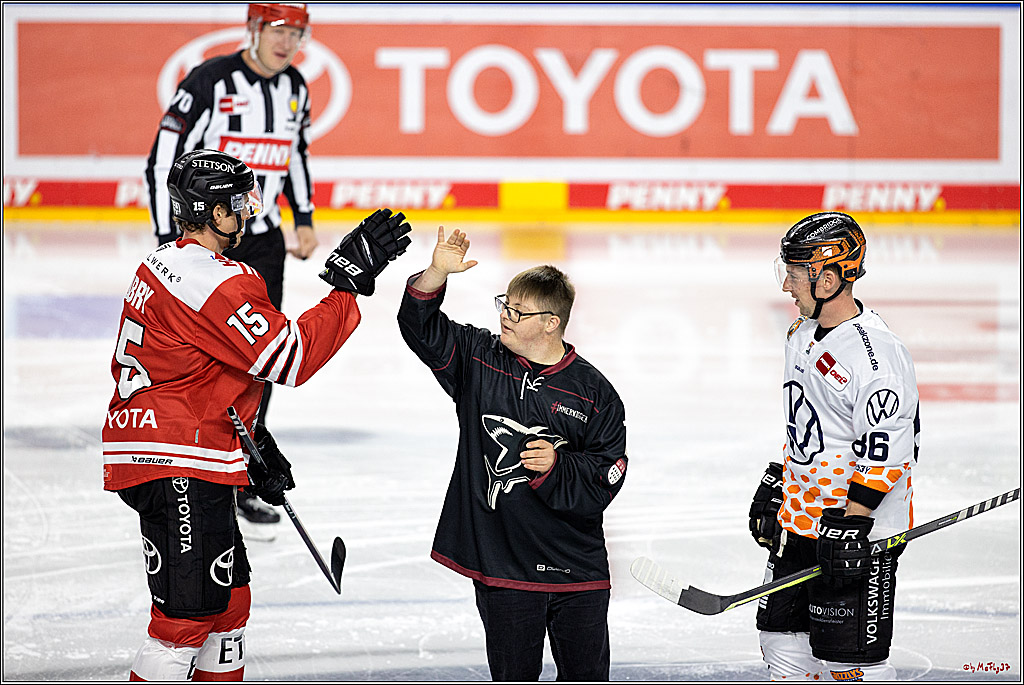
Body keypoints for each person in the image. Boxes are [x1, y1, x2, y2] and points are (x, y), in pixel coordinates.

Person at [104, 149, 410, 680]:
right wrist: (346, 285)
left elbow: (196, 367)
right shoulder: (212, 280)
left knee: (229, 611)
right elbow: (290, 355)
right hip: (176, 458)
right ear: (211, 211)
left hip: (187, 448)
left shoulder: (165, 262)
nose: (249, 211)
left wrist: (246, 442)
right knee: (184, 624)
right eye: (239, 203)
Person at [397, 227, 628, 681]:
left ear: (550, 322)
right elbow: (418, 327)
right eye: (505, 305)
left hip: (576, 572)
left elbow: (610, 474)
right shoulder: (478, 358)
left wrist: (558, 466)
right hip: (502, 566)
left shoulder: (595, 393)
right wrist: (436, 273)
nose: (506, 316)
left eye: (519, 312)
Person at [144, 3, 318, 526]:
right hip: (202, 241)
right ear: (254, 29)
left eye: (297, 33)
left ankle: (242, 471)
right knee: (194, 357)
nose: (287, 42)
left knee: (260, 356)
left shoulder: (296, 89)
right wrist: (165, 238)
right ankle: (184, 459)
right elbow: (161, 157)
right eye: (277, 30)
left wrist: (303, 216)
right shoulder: (209, 81)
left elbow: (295, 154)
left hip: (262, 241)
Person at [748, 212, 920, 681]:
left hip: (856, 532)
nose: (786, 285)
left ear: (828, 278)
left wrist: (853, 524)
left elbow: (886, 452)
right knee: (780, 639)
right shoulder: (802, 333)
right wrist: (782, 482)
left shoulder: (876, 357)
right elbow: (812, 425)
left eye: (796, 273)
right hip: (802, 522)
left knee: (847, 663)